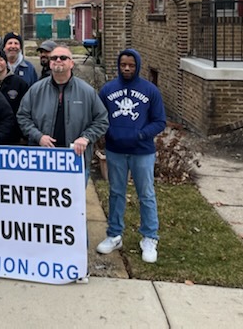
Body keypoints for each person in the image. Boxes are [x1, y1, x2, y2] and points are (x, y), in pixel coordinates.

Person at [96, 49, 167, 264]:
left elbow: (160, 121)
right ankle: (114, 234)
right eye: (123, 64)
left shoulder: (150, 90)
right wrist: (109, 135)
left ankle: (149, 237)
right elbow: (99, 117)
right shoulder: (108, 90)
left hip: (142, 152)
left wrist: (141, 134)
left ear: (137, 66)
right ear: (118, 65)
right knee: (116, 192)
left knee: (146, 194)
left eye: (131, 65)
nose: (127, 68)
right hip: (115, 150)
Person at [17, 45, 108, 183]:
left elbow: (102, 120)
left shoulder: (87, 92)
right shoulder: (36, 90)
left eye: (63, 57)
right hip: (43, 160)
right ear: (50, 63)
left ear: (71, 63)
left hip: (75, 161)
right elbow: (22, 116)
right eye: (54, 58)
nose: (58, 60)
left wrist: (86, 137)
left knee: (74, 204)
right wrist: (38, 136)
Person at [0, 48, 29, 145]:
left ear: (6, 62)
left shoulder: (19, 84)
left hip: (13, 139)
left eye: (0, 59)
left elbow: (25, 111)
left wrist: (23, 136)